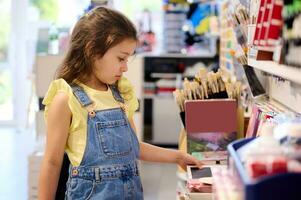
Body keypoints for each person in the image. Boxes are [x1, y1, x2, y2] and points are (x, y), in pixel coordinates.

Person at [38, 6, 203, 200]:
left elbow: (134, 147)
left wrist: (178, 157)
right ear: (92, 50)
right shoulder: (65, 98)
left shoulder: (120, 94)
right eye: (121, 58)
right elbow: (51, 164)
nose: (125, 67)